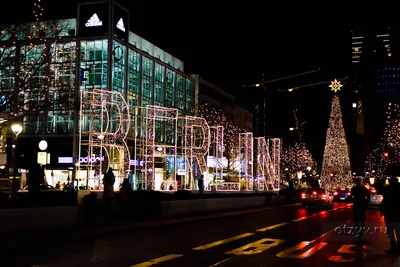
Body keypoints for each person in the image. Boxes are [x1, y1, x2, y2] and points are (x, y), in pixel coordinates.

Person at [380, 177, 400, 253]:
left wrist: (382, 211)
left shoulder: (387, 189)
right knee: (398, 230)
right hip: (398, 212)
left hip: (389, 212)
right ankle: (398, 246)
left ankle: (393, 246)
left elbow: (383, 197)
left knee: (390, 230)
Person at [350, 177, 370, 242]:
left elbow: (351, 197)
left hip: (358, 205)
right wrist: (365, 202)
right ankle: (360, 234)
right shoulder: (363, 189)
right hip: (361, 205)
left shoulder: (354, 189)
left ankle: (359, 234)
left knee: (358, 220)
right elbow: (368, 197)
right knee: (360, 220)